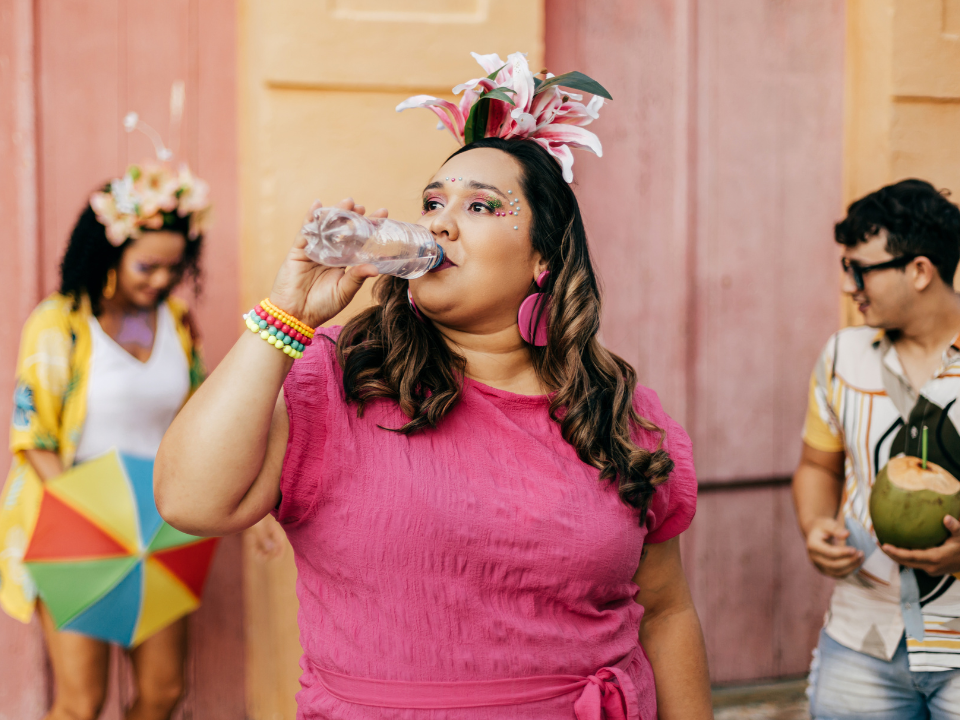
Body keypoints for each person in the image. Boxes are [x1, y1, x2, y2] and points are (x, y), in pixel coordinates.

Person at [155, 52, 711, 719]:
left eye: (479, 206)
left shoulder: (618, 411)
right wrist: (287, 317)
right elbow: (190, 500)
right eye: (432, 203)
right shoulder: (341, 374)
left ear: (544, 257)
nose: (439, 223)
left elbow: (667, 610)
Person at [0, 162, 211, 720]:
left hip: (159, 524)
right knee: (80, 703)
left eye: (174, 267)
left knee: (164, 691)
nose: (161, 280)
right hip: (77, 521)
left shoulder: (178, 322)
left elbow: (199, 421)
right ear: (108, 252)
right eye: (147, 265)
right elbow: (34, 438)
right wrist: (90, 512)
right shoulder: (60, 324)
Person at [794, 179, 960, 719]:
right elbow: (818, 465)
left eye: (860, 269)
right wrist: (815, 524)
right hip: (861, 638)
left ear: (919, 270)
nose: (850, 287)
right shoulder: (843, 355)